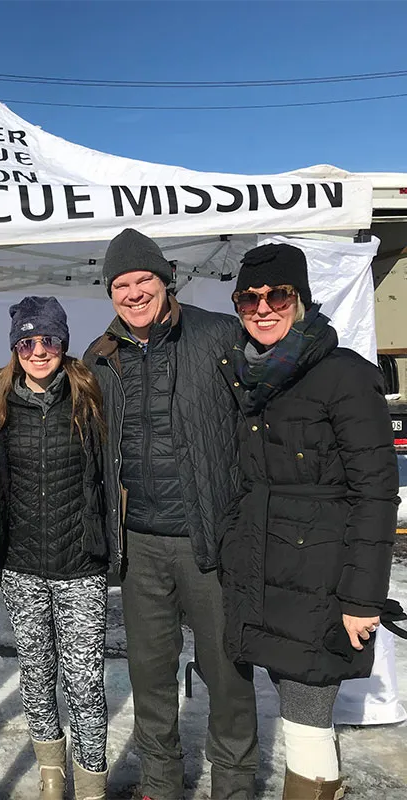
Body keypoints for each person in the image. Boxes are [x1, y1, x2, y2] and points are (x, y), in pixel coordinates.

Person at [218, 243, 399, 800]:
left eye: (277, 295)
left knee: (306, 715)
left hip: (321, 581)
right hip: (266, 575)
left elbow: (376, 493)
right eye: (249, 298)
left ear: (301, 300)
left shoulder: (344, 376)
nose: (262, 308)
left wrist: (362, 598)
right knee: (299, 709)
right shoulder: (247, 375)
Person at [84, 229, 259, 800]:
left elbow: (262, 414)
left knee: (226, 670)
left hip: (208, 537)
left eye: (144, 281)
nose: (134, 293)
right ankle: (160, 781)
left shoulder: (219, 335)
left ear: (166, 281)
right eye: (121, 285)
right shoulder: (100, 357)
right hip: (139, 543)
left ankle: (233, 785)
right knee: (150, 673)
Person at [0, 296, 110, 800]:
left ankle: (92, 785)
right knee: (36, 675)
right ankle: (51, 775)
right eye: (27, 342)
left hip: (81, 564)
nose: (38, 351)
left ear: (63, 343)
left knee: (85, 681)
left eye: (48, 340)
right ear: (15, 347)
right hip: (22, 565)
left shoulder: (88, 393)